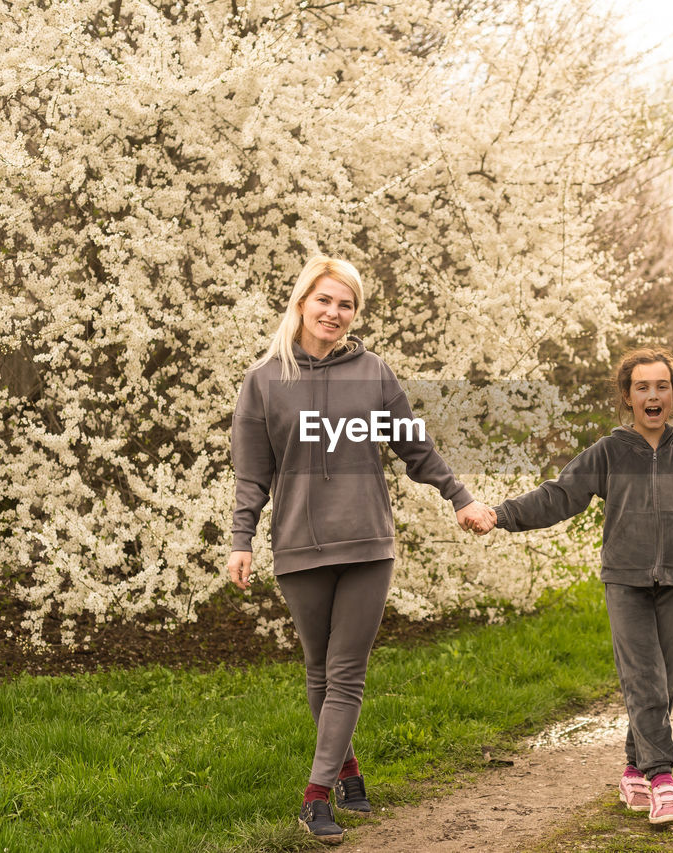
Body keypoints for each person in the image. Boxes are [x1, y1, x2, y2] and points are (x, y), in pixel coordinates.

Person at [226, 255, 493, 845]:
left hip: (369, 542)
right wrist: (241, 539)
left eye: (346, 304)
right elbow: (252, 476)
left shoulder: (373, 372)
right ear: (301, 303)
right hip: (298, 545)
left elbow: (413, 447)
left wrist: (461, 497)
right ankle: (346, 770)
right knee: (318, 670)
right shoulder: (264, 381)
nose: (334, 313)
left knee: (345, 672)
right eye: (324, 300)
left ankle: (315, 796)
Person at [478, 347, 673, 825]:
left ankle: (633, 769)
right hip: (625, 581)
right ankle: (661, 778)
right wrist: (500, 514)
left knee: (664, 684)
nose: (653, 395)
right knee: (645, 680)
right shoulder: (608, 452)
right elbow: (557, 497)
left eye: (661, 386)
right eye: (642, 387)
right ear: (628, 397)